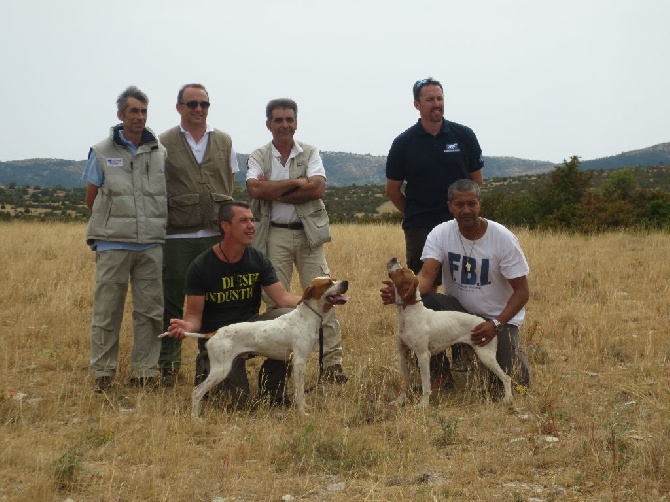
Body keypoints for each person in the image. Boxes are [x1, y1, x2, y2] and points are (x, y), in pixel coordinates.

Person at [381, 179, 531, 393]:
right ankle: (439, 376)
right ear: (450, 206)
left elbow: (522, 292)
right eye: (460, 205)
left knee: (515, 385)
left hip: (497, 319)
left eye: (472, 203)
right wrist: (400, 294)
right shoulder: (441, 233)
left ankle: (472, 354)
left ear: (480, 204)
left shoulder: (503, 238)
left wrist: (496, 324)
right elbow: (425, 278)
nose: (466, 210)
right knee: (429, 300)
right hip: (458, 312)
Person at [386, 77, 484, 380]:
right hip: (420, 228)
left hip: (459, 225)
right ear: (417, 105)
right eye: (429, 99)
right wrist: (416, 217)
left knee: (462, 289)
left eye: (439, 98)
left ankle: (462, 354)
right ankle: (434, 368)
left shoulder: (464, 136)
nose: (436, 104)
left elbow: (475, 182)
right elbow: (393, 190)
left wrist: (460, 215)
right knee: (422, 292)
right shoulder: (403, 143)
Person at [245, 98, 347, 384]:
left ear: (296, 122)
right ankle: (280, 364)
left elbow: (317, 189)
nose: (284, 125)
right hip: (274, 233)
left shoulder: (310, 152)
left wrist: (273, 190)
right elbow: (254, 189)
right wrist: (298, 182)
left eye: (289, 119)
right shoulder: (258, 155)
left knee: (325, 296)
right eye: (278, 120)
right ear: (268, 124)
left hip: (307, 233)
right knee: (275, 301)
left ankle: (332, 365)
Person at [166, 200, 302, 407]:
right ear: (225, 226)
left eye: (252, 220)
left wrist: (316, 299)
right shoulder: (201, 266)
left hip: (251, 329)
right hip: (222, 338)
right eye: (243, 221)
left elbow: (283, 299)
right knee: (237, 404)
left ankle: (273, 392)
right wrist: (186, 327)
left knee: (284, 319)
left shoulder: (258, 260)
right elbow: (194, 316)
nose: (251, 226)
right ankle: (206, 367)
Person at [83, 85, 167, 393]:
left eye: (144, 111)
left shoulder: (159, 151)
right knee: (107, 312)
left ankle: (144, 373)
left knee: (151, 312)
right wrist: (115, 226)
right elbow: (91, 198)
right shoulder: (102, 151)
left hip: (151, 244)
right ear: (120, 115)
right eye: (134, 111)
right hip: (113, 243)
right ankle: (103, 374)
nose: (140, 117)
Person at [158, 83, 239, 387]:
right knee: (172, 302)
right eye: (192, 104)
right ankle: (167, 366)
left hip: (214, 235)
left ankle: (209, 365)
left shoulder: (225, 140)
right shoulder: (163, 142)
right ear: (179, 107)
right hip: (177, 234)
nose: (198, 110)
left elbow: (228, 183)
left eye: (203, 104)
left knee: (214, 303)